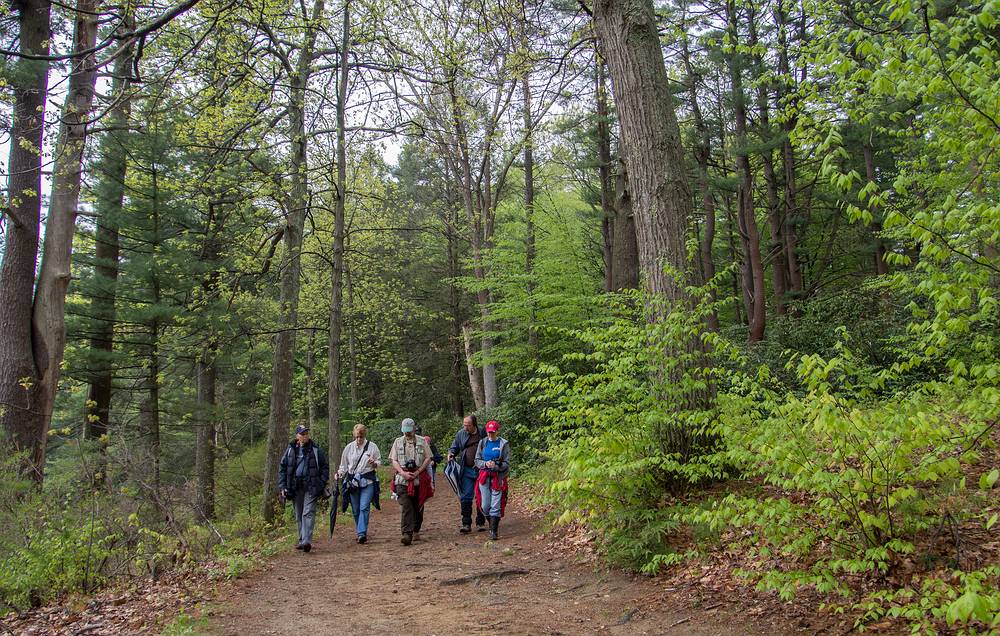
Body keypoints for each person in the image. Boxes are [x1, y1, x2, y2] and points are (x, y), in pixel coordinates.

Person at [278, 424, 329, 553]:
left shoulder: (315, 450)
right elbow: (282, 469)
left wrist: (321, 483)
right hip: (295, 486)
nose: (305, 436)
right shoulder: (290, 450)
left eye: (306, 433)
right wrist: (283, 486)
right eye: (302, 434)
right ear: (297, 436)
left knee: (308, 512)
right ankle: (301, 540)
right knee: (299, 514)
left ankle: (307, 541)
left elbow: (324, 467)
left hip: (311, 485)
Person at [389, 417, 433, 545]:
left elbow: (428, 458)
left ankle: (416, 529)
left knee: (418, 506)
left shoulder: (422, 441)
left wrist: (418, 472)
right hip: (402, 480)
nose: (407, 433)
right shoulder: (397, 442)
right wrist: (403, 473)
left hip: (418, 478)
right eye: (405, 431)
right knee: (406, 506)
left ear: (414, 429)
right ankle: (406, 534)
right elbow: (394, 460)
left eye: (409, 430)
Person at [336, 424, 381, 544]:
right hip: (352, 482)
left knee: (364, 507)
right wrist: (339, 474)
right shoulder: (348, 448)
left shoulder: (372, 447)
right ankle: (360, 530)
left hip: (368, 480)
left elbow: (379, 461)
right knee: (355, 509)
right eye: (356, 436)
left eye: (360, 436)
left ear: (364, 435)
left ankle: (362, 533)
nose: (359, 439)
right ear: (354, 435)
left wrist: (374, 463)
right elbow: (343, 466)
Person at [448, 414, 487, 533]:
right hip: (467, 469)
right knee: (466, 496)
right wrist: (451, 453)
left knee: (481, 496)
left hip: (481, 470)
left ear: (474, 424)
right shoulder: (461, 434)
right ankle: (466, 523)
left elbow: (489, 447)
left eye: (468, 425)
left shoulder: (482, 433)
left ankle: (480, 523)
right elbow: (454, 447)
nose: (466, 428)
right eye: (464, 425)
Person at [474, 420, 510, 540]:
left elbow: (506, 463)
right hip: (484, 476)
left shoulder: (503, 444)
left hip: (498, 477)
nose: (490, 435)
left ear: (497, 431)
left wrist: (496, 466)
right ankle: (491, 524)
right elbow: (477, 460)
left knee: (495, 505)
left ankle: (494, 531)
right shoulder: (482, 443)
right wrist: (485, 464)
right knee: (485, 505)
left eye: (493, 432)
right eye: (489, 432)